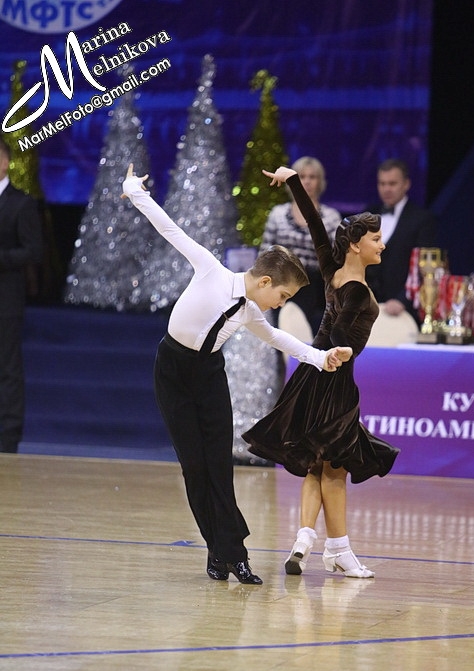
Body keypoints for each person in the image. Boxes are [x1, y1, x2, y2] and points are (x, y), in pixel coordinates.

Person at [121, 164, 352, 586]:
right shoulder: (211, 269)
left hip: (209, 374)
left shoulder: (250, 312)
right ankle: (217, 550)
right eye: (281, 295)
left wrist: (321, 358)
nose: (279, 303)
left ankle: (235, 556)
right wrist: (134, 190)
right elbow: (169, 228)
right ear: (264, 281)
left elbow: (278, 338)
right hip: (172, 371)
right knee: (195, 467)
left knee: (219, 466)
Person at [243, 166, 400, 579]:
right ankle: (339, 551)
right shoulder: (357, 291)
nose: (382, 244)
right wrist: (343, 348)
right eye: (376, 239)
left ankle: (305, 539)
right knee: (335, 470)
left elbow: (314, 223)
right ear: (356, 245)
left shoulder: (332, 270)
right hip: (334, 381)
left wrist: (293, 180)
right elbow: (343, 334)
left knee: (318, 465)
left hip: (309, 376)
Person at [260, 156, 341, 334]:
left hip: (317, 290)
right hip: (281, 285)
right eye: (302, 177)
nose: (307, 181)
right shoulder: (278, 214)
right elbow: (265, 254)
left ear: (320, 182)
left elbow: (337, 258)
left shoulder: (331, 217)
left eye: (312, 177)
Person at [0, 138, 42, 453]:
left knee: (8, 367)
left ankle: (9, 434)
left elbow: (33, 250)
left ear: (5, 162)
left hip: (6, 299)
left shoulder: (21, 203)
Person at [365, 158, 437, 324]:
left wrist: (403, 300)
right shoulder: (368, 214)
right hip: (368, 310)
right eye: (382, 184)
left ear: (406, 184)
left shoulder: (422, 219)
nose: (386, 189)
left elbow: (424, 267)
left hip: (403, 312)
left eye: (392, 183)